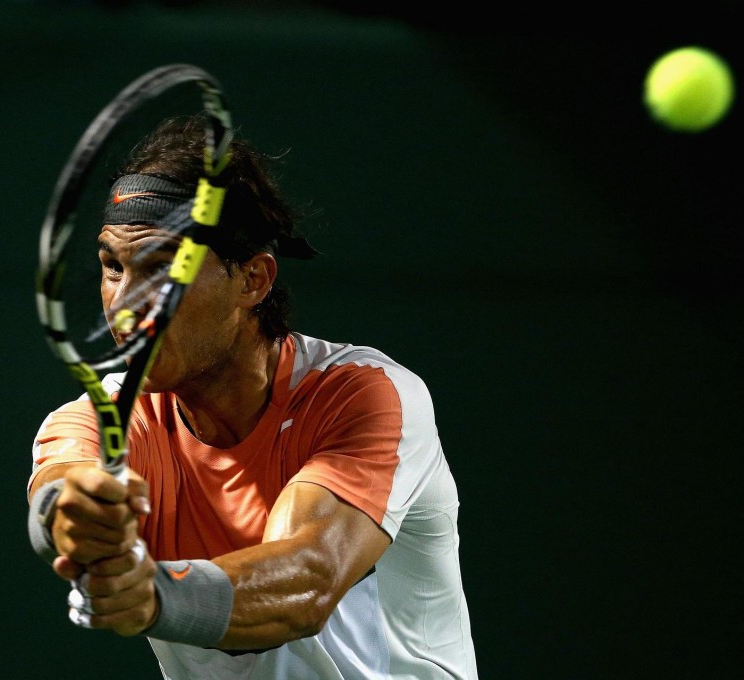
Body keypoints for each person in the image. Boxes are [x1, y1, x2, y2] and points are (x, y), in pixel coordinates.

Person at [26, 115, 478, 679]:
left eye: (164, 269)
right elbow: (59, 491)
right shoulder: (101, 421)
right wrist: (74, 515)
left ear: (253, 280)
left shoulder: (367, 396)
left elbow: (305, 580)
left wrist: (155, 596)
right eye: (112, 267)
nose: (123, 305)